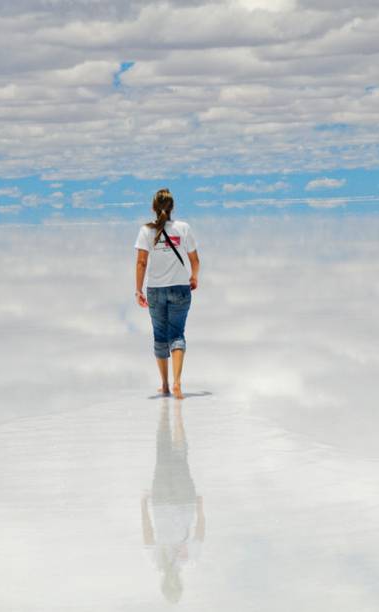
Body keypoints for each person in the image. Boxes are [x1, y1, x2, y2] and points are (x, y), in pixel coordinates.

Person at [135, 188, 200, 400]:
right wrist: (194, 278)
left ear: (154, 207)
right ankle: (178, 382)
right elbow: (194, 260)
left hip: (155, 290)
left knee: (160, 337)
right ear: (172, 207)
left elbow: (141, 262)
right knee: (177, 335)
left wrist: (138, 289)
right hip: (180, 288)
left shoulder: (146, 231)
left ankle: (164, 385)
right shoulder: (183, 228)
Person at [141, 398, 205, 603]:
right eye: (176, 587)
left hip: (162, 501)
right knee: (178, 456)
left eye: (171, 587)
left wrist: (143, 505)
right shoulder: (189, 561)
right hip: (183, 501)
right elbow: (199, 534)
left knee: (163, 454)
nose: (173, 583)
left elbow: (148, 535)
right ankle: (175, 417)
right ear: (180, 585)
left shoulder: (157, 562)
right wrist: (201, 508)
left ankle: (165, 417)